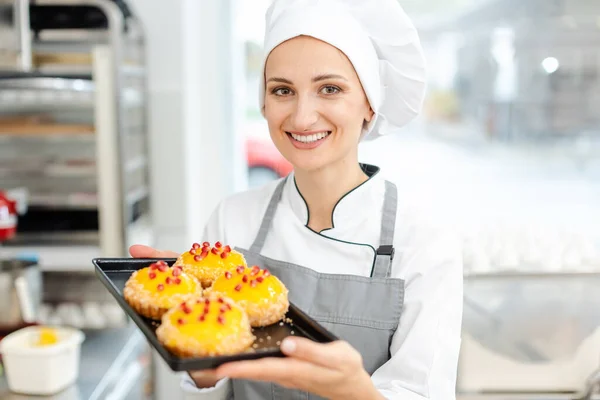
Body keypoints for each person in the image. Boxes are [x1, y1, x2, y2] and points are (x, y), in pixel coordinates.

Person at [129, 0, 463, 398]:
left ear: (370, 104)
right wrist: (199, 365)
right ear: (264, 103)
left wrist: (358, 392)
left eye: (330, 89)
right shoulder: (233, 220)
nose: (303, 117)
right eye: (283, 90)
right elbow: (211, 390)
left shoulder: (424, 241)